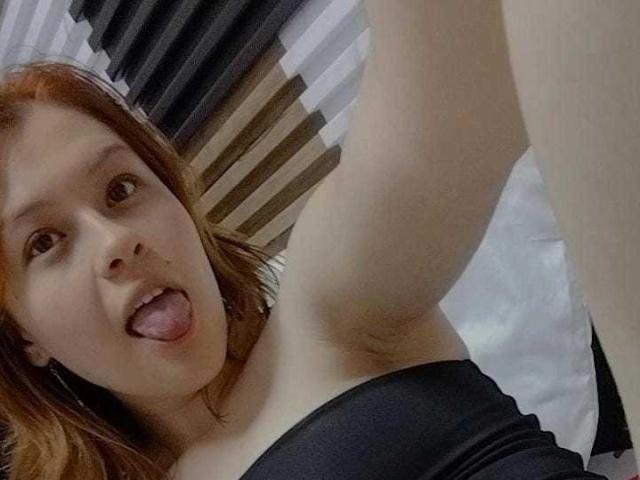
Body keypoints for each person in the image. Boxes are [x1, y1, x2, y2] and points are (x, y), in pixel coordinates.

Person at [0, 1, 631, 479]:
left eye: (121, 189)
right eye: (45, 243)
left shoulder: (331, 316)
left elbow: (461, 92)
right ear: (24, 333)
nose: (116, 241)